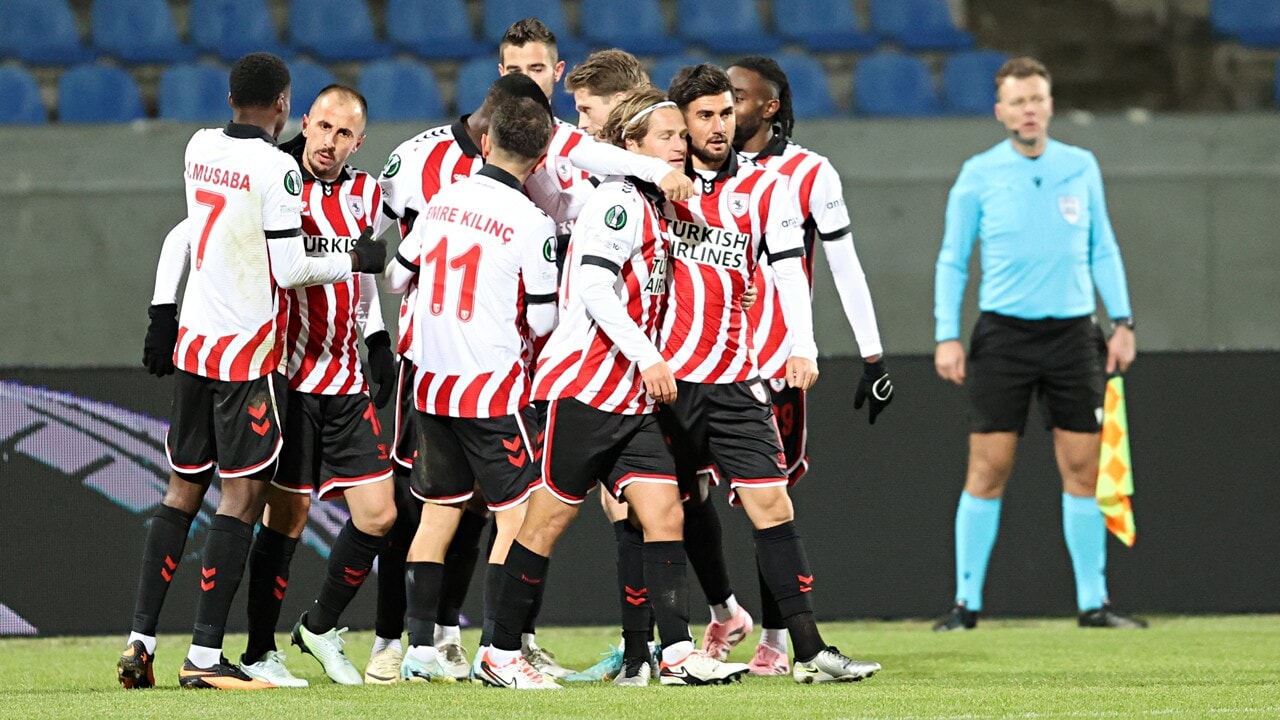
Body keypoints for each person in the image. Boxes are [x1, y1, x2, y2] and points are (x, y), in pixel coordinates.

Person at [120, 52, 386, 690]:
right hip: (248, 355)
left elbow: (194, 230)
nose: (326, 139)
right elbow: (290, 269)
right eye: (317, 122)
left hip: (194, 347)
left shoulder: (198, 144)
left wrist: (163, 313)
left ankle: (141, 642)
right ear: (286, 108)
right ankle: (208, 658)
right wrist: (355, 255)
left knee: (181, 494)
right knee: (242, 499)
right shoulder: (277, 170)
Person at [479, 86, 751, 690]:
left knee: (663, 514)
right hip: (586, 389)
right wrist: (651, 358)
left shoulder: (654, 204)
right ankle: (499, 653)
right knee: (544, 525)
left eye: (683, 135)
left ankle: (676, 655)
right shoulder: (619, 201)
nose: (680, 144)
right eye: (667, 135)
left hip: (630, 398)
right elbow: (598, 291)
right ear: (633, 145)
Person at [659, 63, 880, 683]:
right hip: (666, 382)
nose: (719, 126)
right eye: (704, 115)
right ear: (683, 121)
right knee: (662, 512)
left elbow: (788, 272)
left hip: (736, 377)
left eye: (726, 113)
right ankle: (665, 651)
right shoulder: (653, 186)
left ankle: (806, 651)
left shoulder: (767, 189)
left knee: (773, 505)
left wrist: (801, 347)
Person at [931, 57, 1145, 632]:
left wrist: (1121, 321)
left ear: (1050, 104)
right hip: (1003, 335)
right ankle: (965, 603)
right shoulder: (978, 173)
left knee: (1083, 466)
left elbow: (1104, 246)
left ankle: (1093, 603)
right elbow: (954, 258)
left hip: (1075, 334)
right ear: (1001, 111)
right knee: (988, 467)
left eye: (1037, 99)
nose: (1028, 109)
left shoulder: (1081, 165)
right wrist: (946, 335)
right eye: (1017, 101)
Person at [383, 92, 560, 683]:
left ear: (485, 143)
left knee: (437, 515)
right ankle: (499, 653)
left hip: (430, 384)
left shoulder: (441, 200)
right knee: (519, 519)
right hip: (490, 389)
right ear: (539, 162)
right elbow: (542, 322)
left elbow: (395, 275)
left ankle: (418, 653)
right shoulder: (534, 224)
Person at [226, 85, 397, 689]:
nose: (330, 141)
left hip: (347, 380)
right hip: (289, 380)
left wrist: (377, 340)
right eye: (322, 127)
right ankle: (256, 651)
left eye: (344, 133)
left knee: (379, 515)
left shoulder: (368, 193)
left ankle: (319, 625)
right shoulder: (278, 183)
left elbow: (370, 272)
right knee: (288, 517)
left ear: (359, 141)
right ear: (305, 122)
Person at [727, 56, 893, 675]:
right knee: (677, 501)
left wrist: (871, 353)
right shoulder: (692, 169)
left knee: (775, 502)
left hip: (774, 365)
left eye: (737, 97)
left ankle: (776, 640)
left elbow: (845, 266)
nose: (724, 108)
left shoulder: (810, 173)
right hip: (697, 362)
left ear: (769, 106)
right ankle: (677, 636)